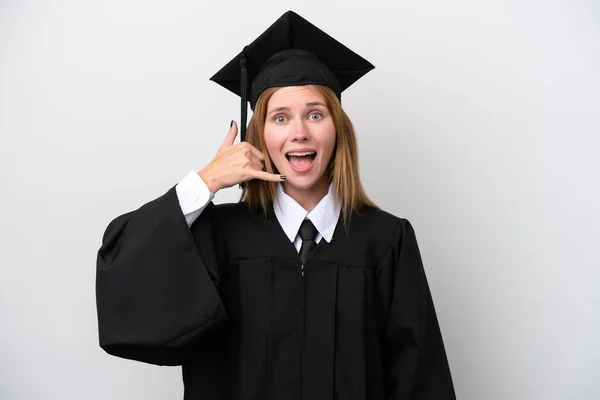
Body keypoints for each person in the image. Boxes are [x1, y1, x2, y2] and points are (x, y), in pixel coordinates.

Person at [95, 10, 456, 400]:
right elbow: (124, 274)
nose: (299, 133)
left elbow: (421, 381)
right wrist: (207, 180)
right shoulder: (218, 236)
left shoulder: (386, 242)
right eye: (280, 118)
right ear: (259, 136)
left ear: (338, 130)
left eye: (315, 115)